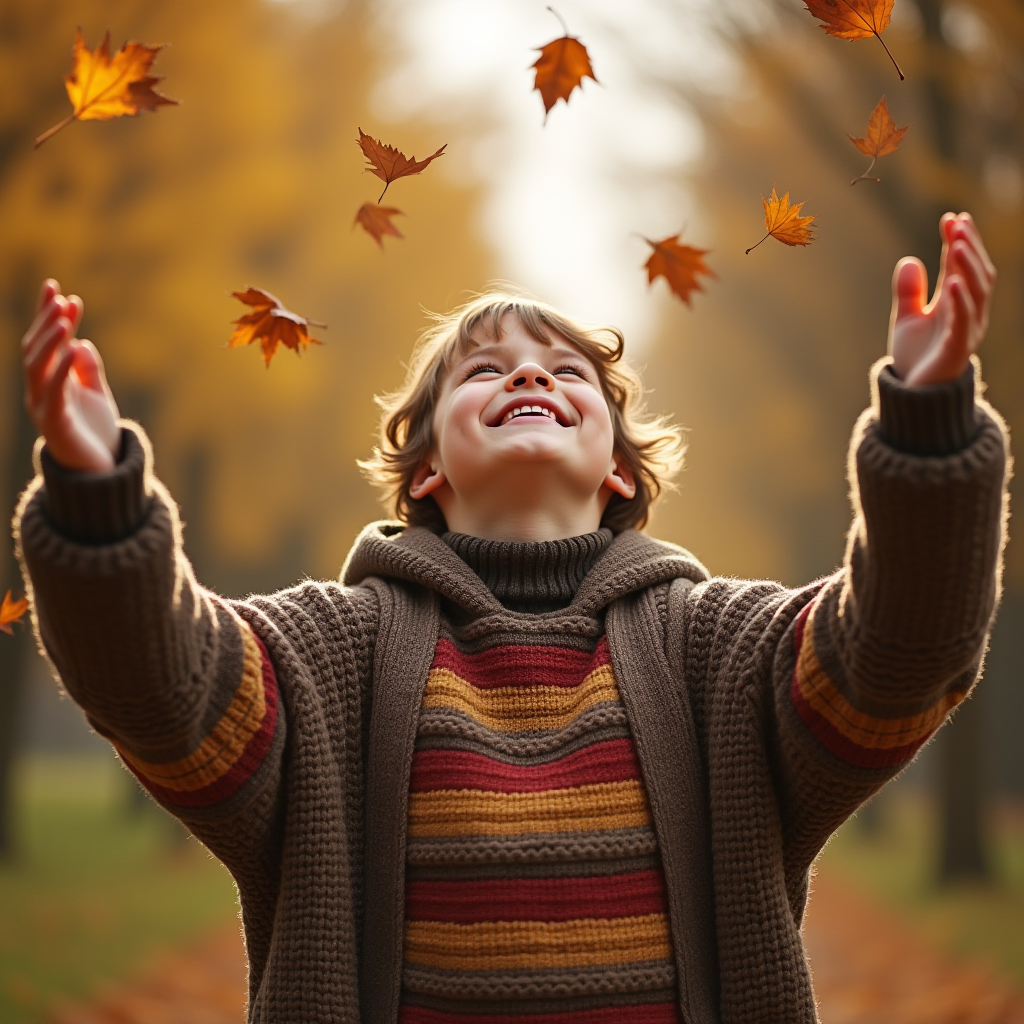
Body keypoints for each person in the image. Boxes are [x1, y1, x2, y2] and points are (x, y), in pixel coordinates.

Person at [15, 211, 1009, 1024]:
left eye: (566, 372)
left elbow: (898, 654)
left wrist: (925, 428)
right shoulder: (328, 653)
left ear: (619, 467)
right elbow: (161, 689)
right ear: (426, 470)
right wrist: (97, 493)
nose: (529, 375)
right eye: (483, 370)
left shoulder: (716, 649)